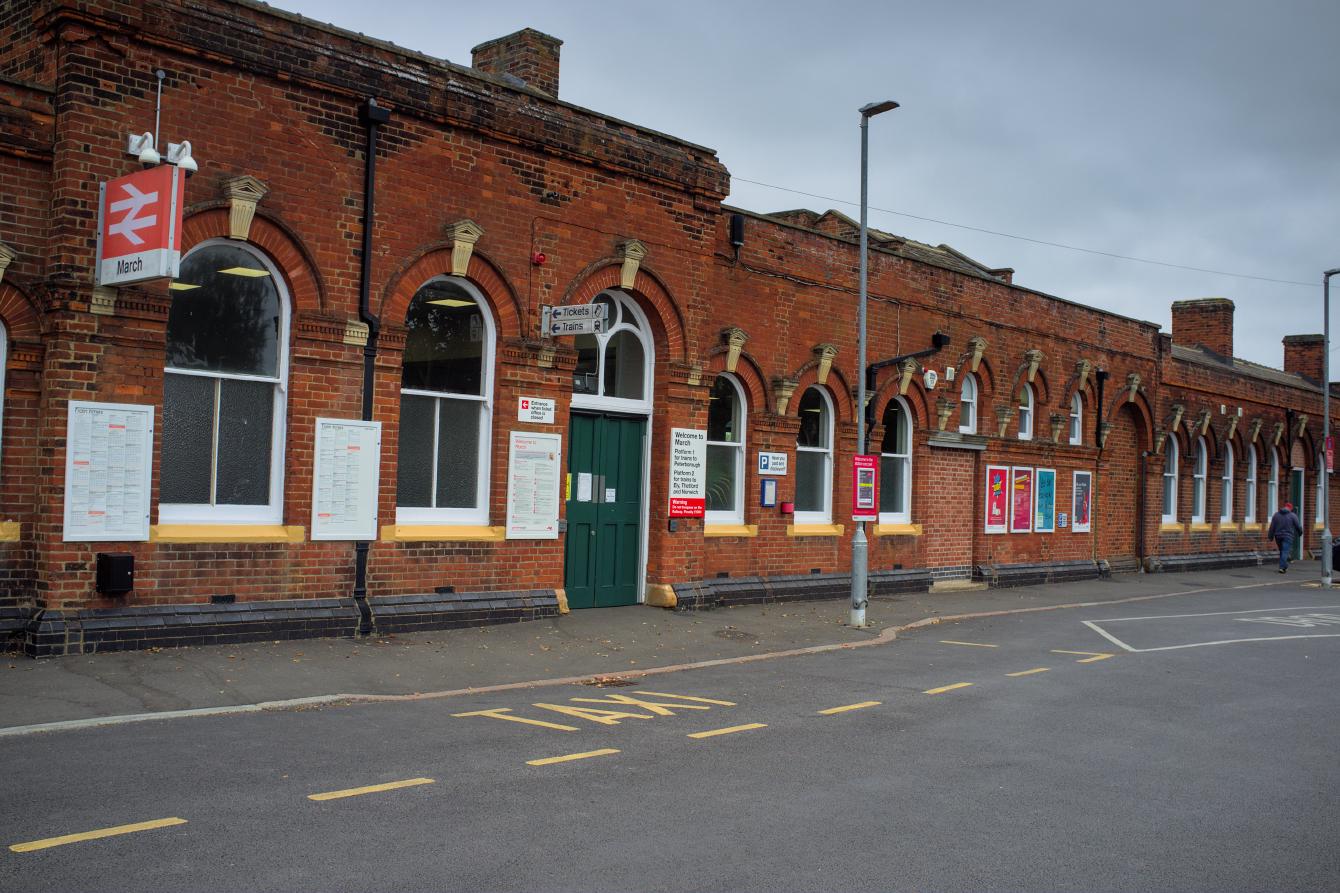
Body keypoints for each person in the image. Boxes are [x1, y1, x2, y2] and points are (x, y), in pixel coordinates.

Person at [1267, 502, 1303, 573]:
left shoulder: (1276, 515)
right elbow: (1298, 526)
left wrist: (1270, 536)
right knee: (1285, 551)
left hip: (1278, 536)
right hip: (1288, 536)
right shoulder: (1293, 515)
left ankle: (1285, 565)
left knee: (1282, 551)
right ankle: (1282, 567)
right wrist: (1300, 533)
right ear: (1290, 509)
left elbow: (1272, 527)